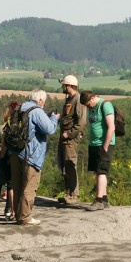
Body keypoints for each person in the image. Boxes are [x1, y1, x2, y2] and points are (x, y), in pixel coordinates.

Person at [7, 89, 59, 226]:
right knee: (30, 186)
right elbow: (49, 129)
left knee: (17, 185)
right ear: (41, 100)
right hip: (31, 154)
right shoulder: (37, 111)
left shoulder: (20, 108)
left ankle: (18, 215)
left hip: (16, 151)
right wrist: (54, 118)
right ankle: (25, 217)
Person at [80, 90, 116, 211]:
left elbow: (111, 127)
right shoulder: (92, 107)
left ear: (91, 99)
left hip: (104, 144)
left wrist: (105, 146)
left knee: (101, 171)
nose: (88, 107)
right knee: (98, 171)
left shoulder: (105, 105)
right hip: (94, 144)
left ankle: (99, 200)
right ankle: (104, 199)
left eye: (88, 104)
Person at [58, 75, 87, 204]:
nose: (63, 87)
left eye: (64, 85)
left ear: (69, 86)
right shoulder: (69, 99)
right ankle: (68, 194)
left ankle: (74, 195)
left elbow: (81, 123)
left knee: (70, 164)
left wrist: (69, 134)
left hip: (70, 139)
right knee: (65, 166)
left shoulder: (78, 100)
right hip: (64, 138)